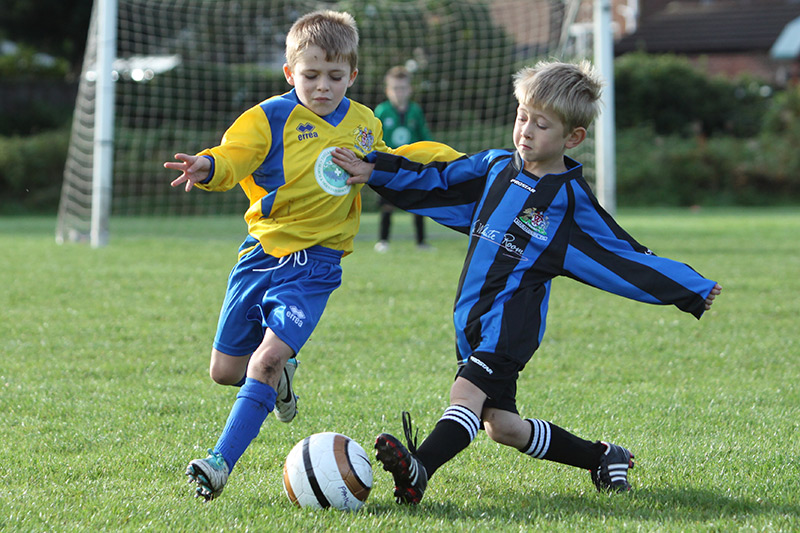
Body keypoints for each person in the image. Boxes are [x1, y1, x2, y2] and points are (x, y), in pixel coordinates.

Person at [332, 59, 723, 504]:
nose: (526, 131)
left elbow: (620, 254)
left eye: (542, 124)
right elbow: (438, 177)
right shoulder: (495, 168)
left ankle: (419, 469)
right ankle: (602, 458)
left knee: (466, 392)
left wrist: (689, 287)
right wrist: (376, 170)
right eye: (522, 117)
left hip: (511, 323)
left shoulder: (568, 203)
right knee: (502, 426)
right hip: (472, 318)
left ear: (573, 138)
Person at [164, 10, 460, 502]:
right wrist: (208, 165)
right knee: (225, 372)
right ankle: (281, 380)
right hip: (260, 255)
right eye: (311, 75)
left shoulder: (363, 123)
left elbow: (390, 157)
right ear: (290, 73)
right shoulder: (268, 118)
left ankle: (219, 463)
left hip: (316, 264)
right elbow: (233, 154)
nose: (323, 86)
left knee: (265, 360)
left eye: (335, 77)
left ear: (353, 75)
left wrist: (451, 164)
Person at [373, 66, 433, 252]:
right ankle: (383, 241)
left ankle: (421, 242)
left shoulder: (415, 111)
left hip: (412, 164)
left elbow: (424, 135)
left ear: (409, 90)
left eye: (403, 88)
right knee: (387, 204)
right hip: (388, 164)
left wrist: (429, 154)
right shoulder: (382, 111)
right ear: (388, 90)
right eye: (395, 88)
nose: (399, 92)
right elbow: (374, 137)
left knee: (418, 201)